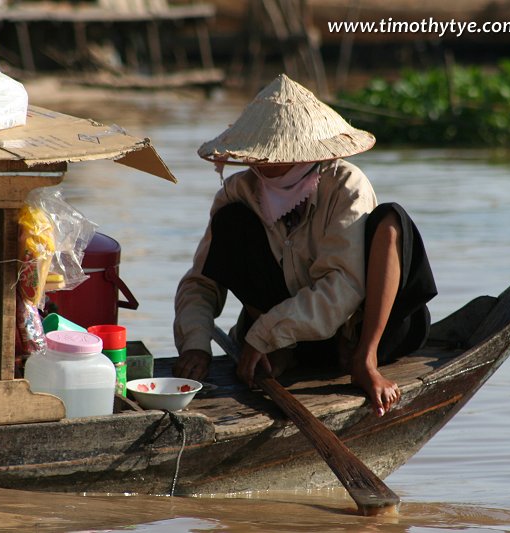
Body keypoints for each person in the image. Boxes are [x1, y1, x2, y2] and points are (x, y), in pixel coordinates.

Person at [172, 74, 437, 416]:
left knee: (391, 220)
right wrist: (196, 346)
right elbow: (200, 282)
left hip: (360, 335)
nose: (259, 161)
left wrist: (264, 333)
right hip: (287, 343)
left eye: (271, 152)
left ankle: (365, 360)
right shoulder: (240, 193)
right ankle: (287, 355)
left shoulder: (346, 187)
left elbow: (343, 286)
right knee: (231, 221)